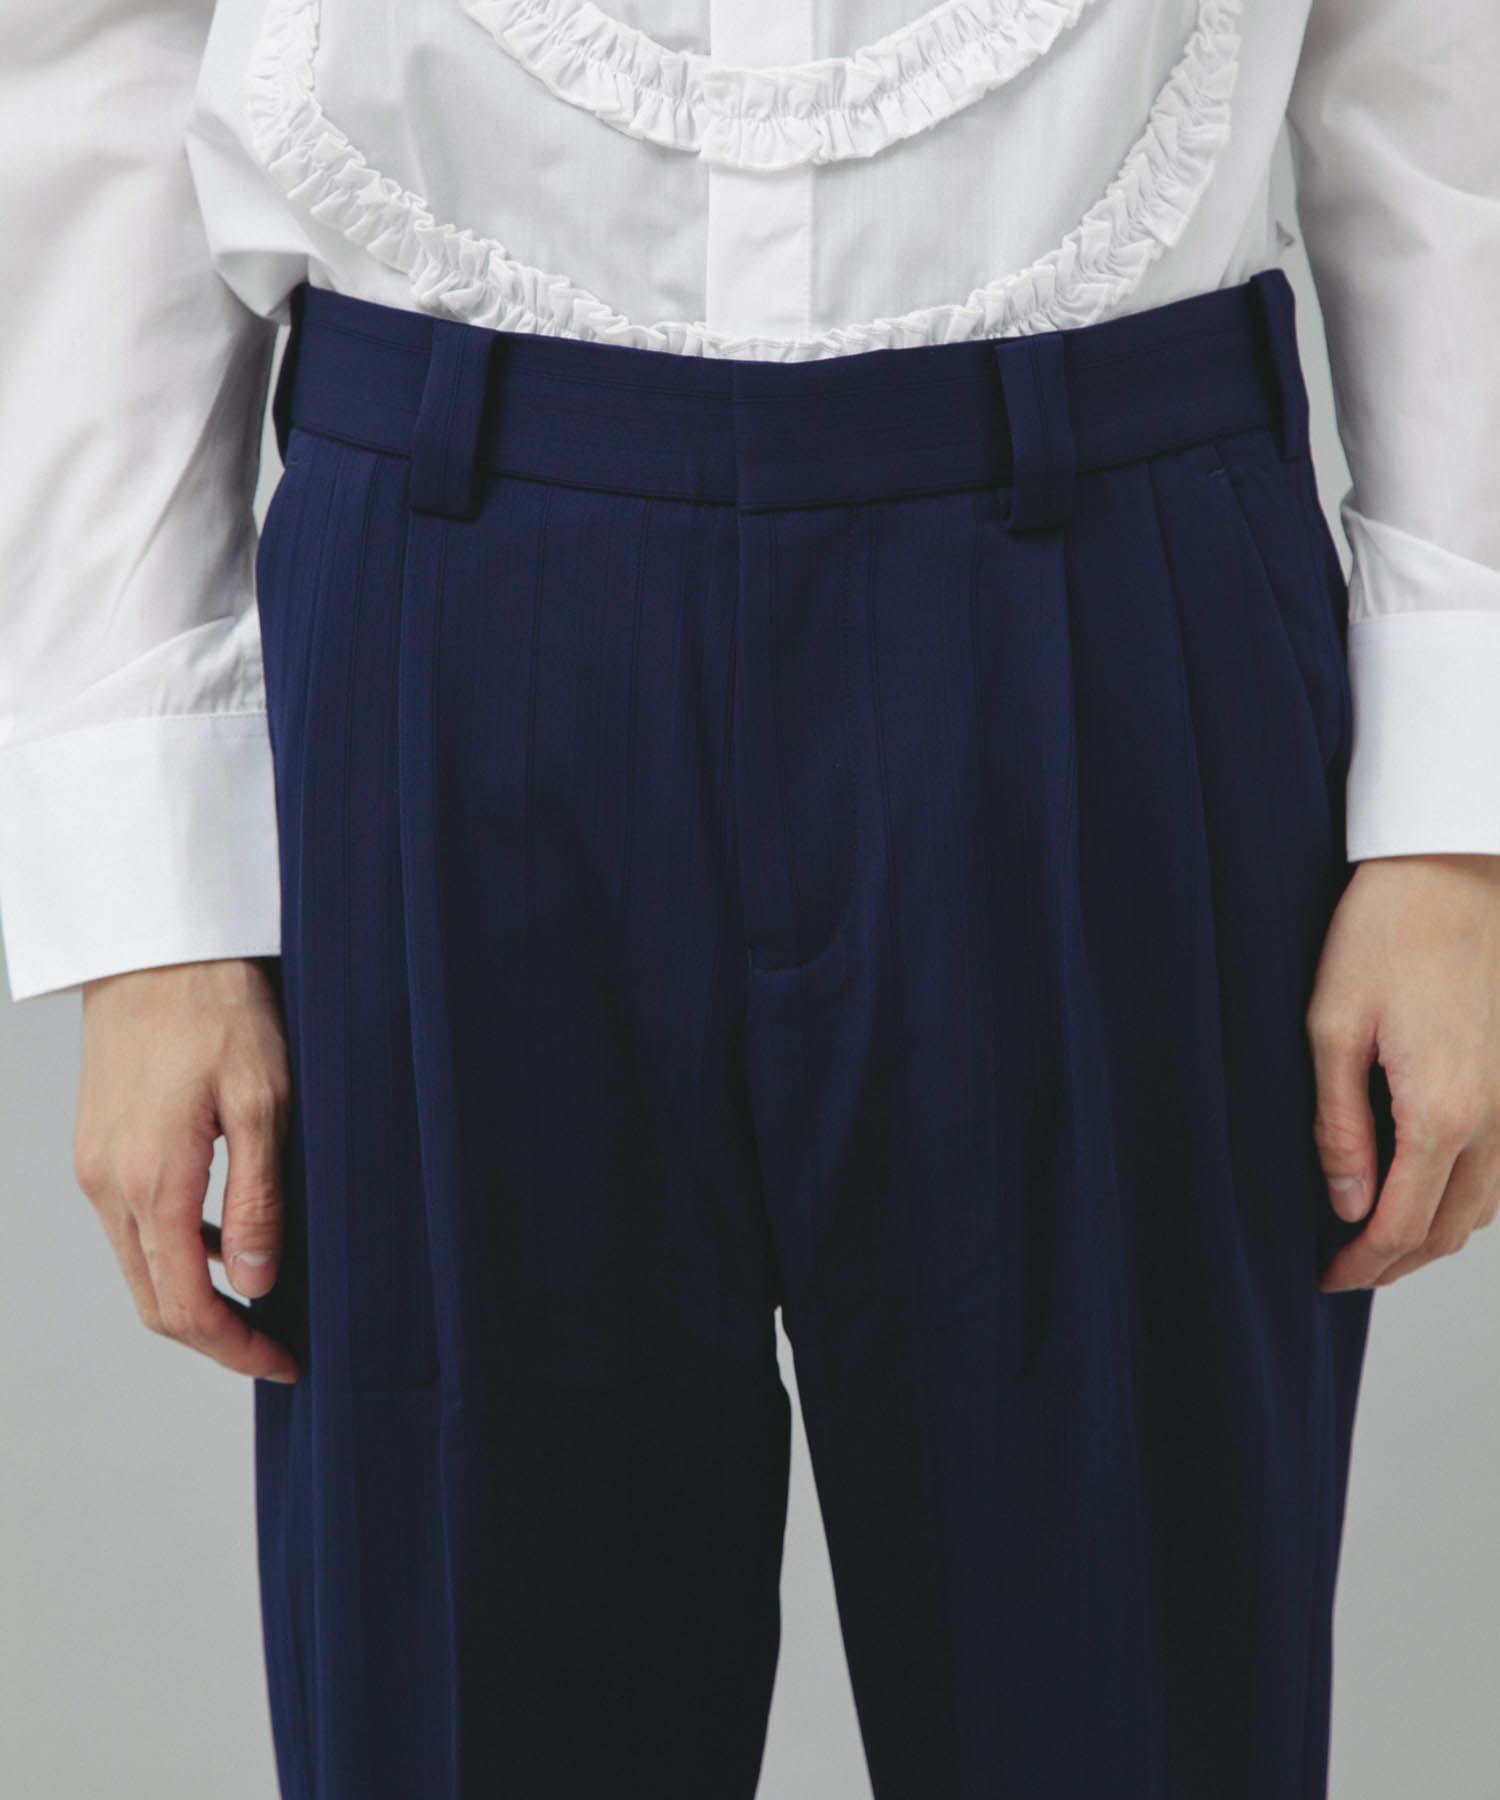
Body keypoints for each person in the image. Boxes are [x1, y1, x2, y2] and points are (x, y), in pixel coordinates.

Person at [1, 1, 1497, 1794]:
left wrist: (1459, 823)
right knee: (470, 1722)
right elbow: (103, 69)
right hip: (449, 620)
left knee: (1134, 1714)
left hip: (1106, 600)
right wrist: (148, 909)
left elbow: (1446, 62)